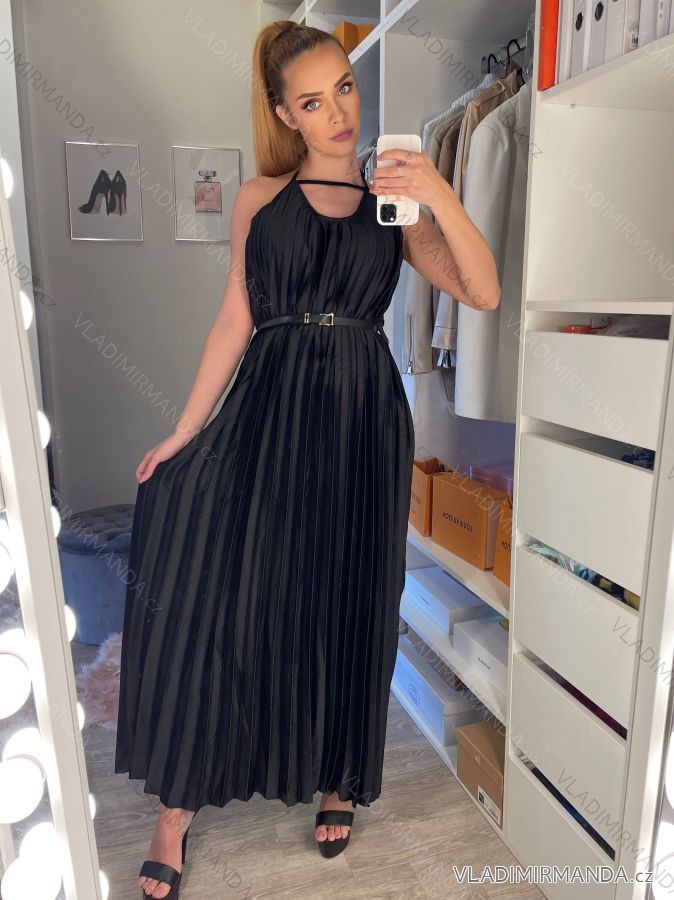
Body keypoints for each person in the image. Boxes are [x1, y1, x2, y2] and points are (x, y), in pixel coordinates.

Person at [114, 19, 501, 900]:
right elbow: (234, 321)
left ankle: (339, 777)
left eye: (346, 89)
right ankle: (176, 807)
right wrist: (183, 432)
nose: (338, 114)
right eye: (314, 101)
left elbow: (481, 289)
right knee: (224, 594)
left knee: (351, 595)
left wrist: (435, 189)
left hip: (363, 419)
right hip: (268, 406)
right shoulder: (259, 199)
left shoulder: (393, 205)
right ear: (285, 114)